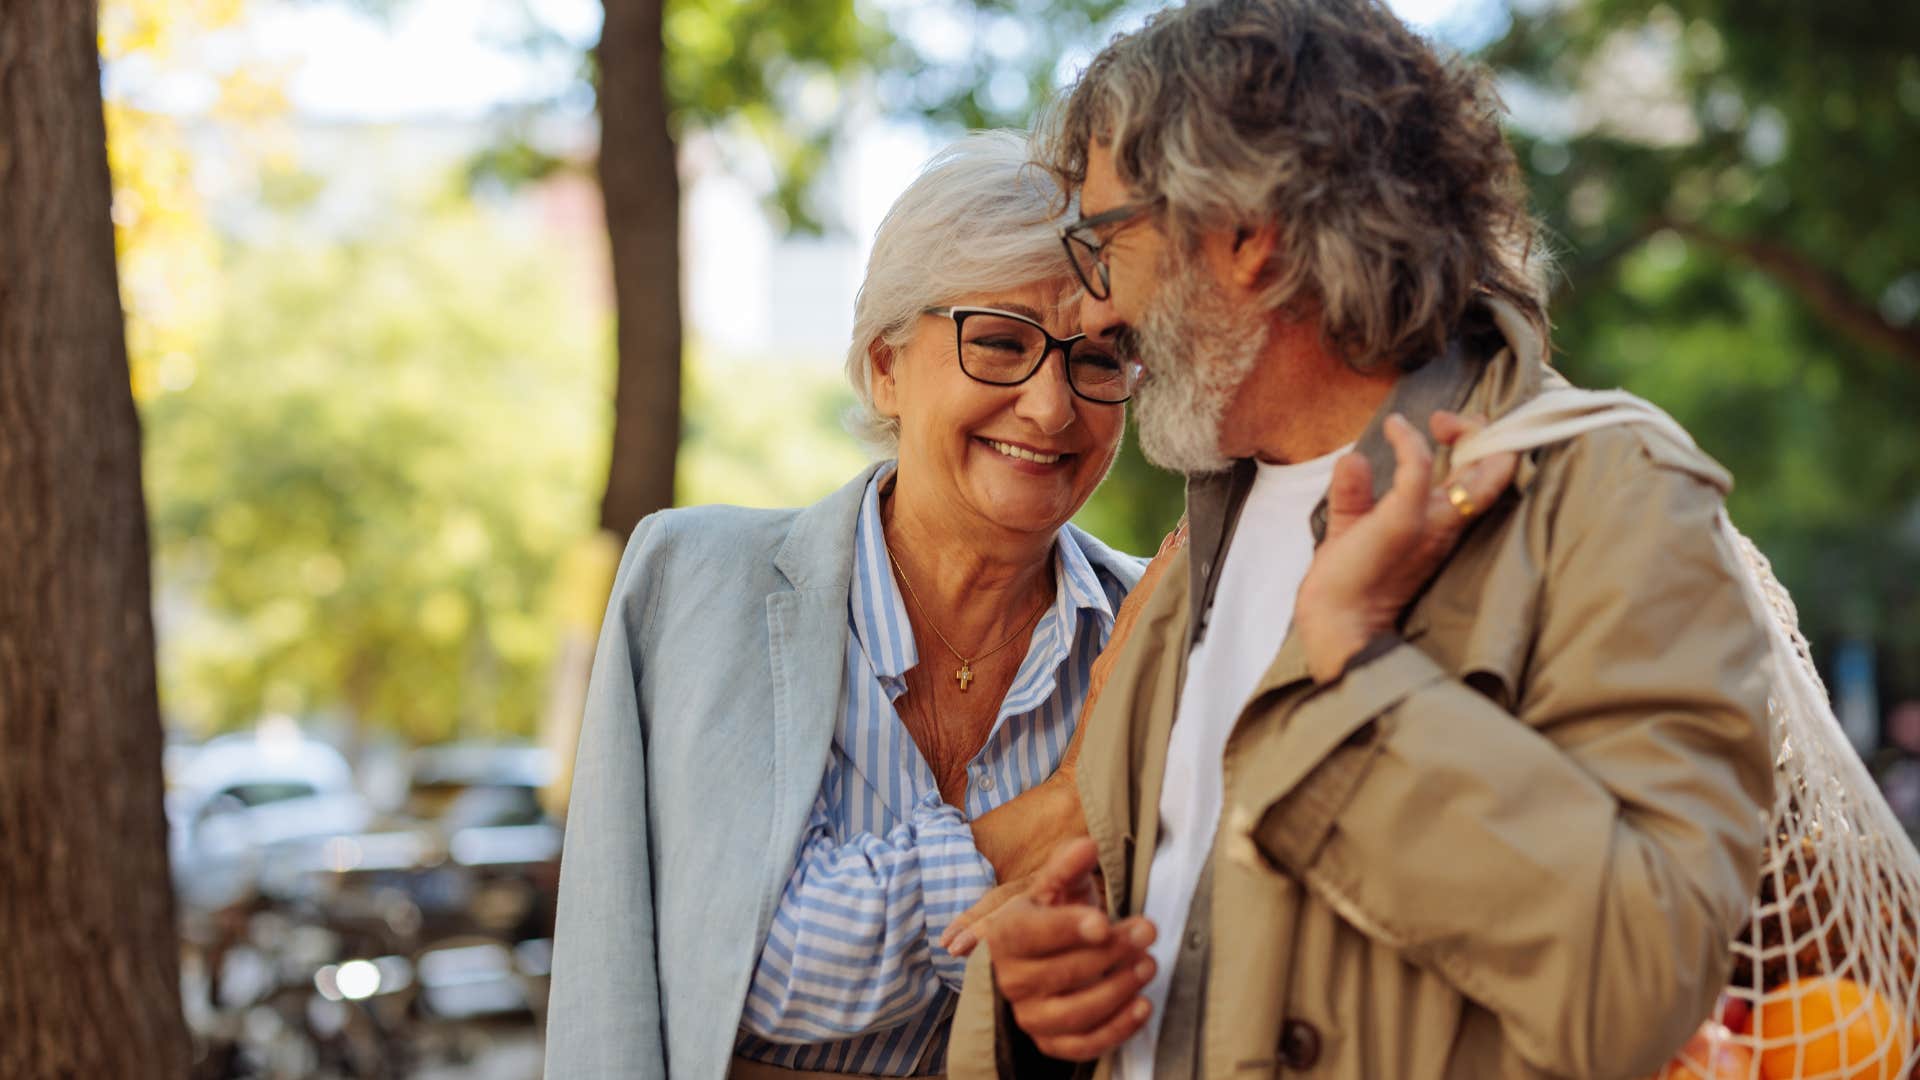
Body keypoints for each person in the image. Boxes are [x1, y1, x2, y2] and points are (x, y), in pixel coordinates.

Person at [944, 2, 1776, 1077]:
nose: (1099, 308)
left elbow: (1637, 990)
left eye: (1108, 241)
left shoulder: (1614, 498)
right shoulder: (1193, 547)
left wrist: (1357, 670)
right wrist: (1036, 1010)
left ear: (1246, 235)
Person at [544, 130, 1152, 1079]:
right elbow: (730, 971)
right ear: (885, 366)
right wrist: (1054, 812)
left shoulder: (1154, 626)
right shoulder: (695, 583)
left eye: (1102, 358)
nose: (1051, 406)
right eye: (999, 342)